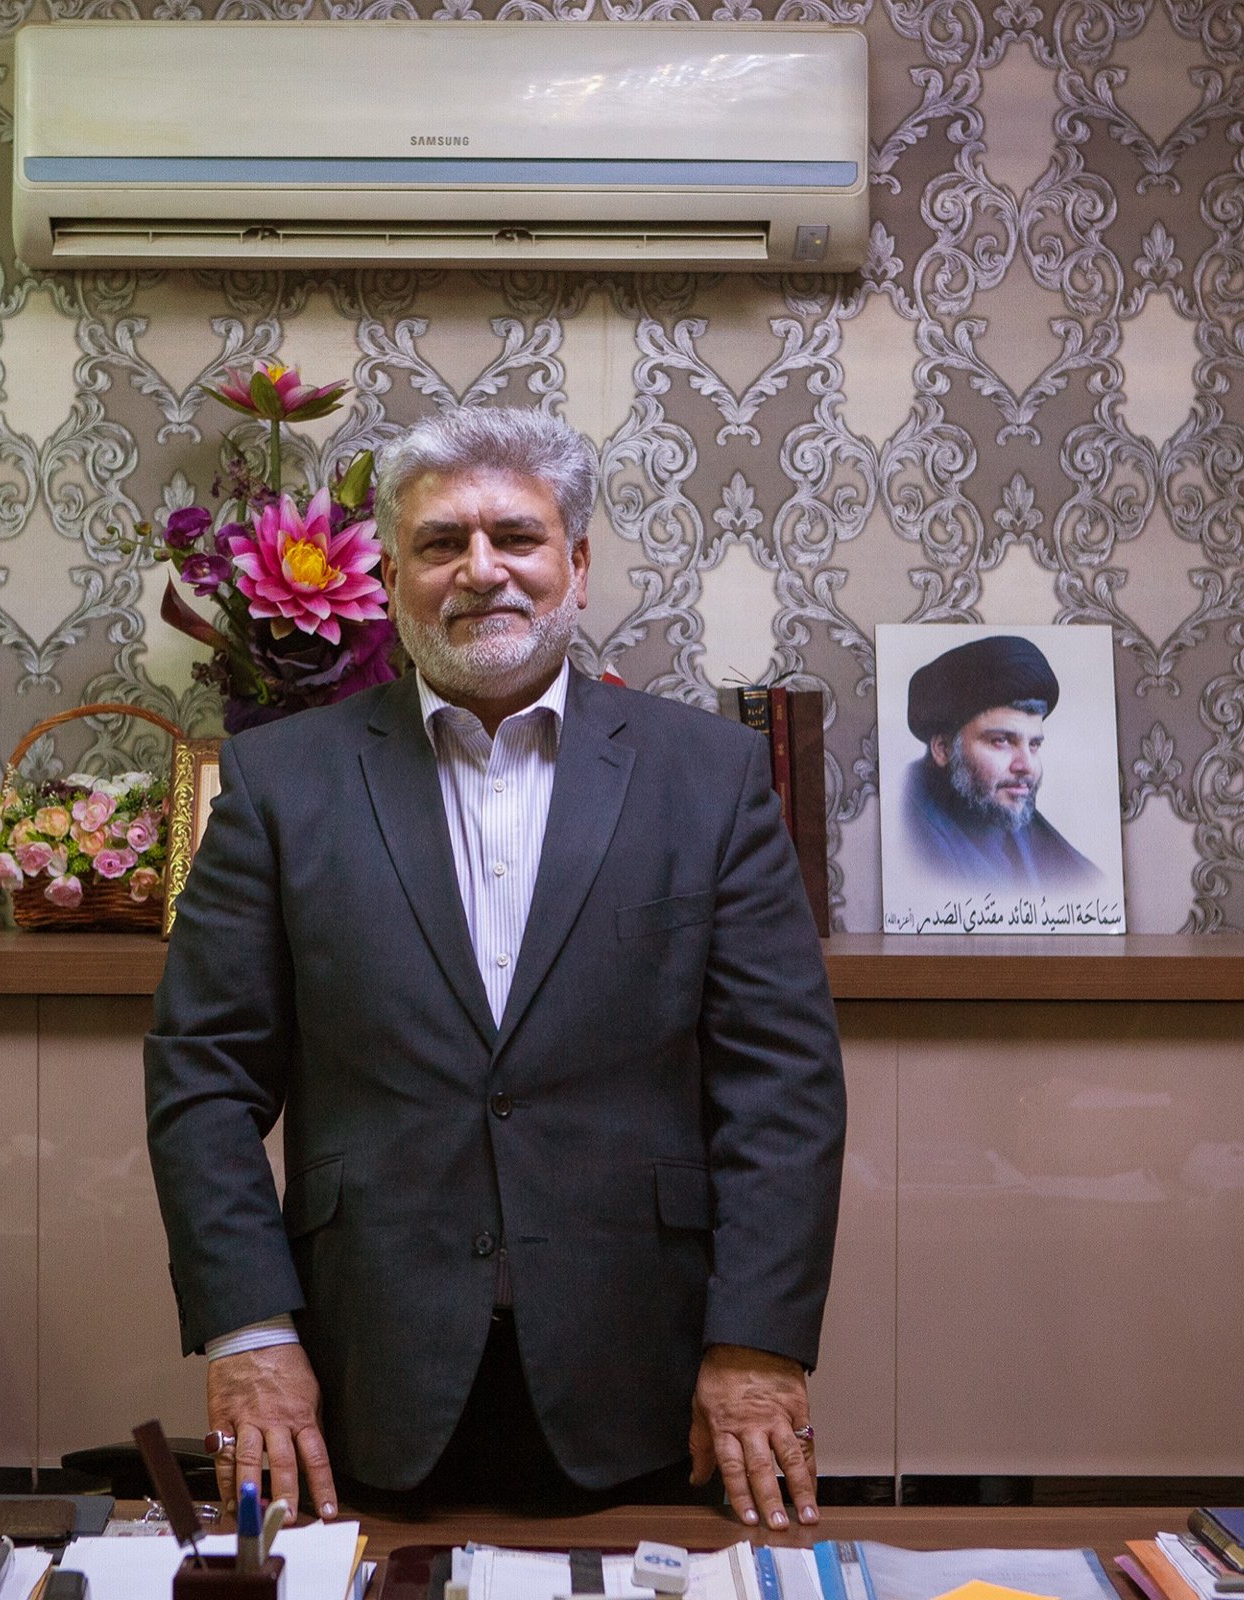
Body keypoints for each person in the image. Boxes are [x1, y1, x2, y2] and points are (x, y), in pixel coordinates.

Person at [145, 408, 845, 1528]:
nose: (481, 571)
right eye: (440, 543)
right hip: (359, 1383)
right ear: (390, 579)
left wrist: (757, 1340)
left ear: (577, 564)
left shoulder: (710, 779)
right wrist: (250, 1332)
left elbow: (783, 1086)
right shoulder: (280, 784)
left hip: (653, 1380)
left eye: (517, 537)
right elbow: (205, 1079)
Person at [899, 634, 1102, 893]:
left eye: (1034, 745)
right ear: (943, 749)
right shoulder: (909, 842)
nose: (1026, 766)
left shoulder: (1070, 867)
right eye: (1002, 741)